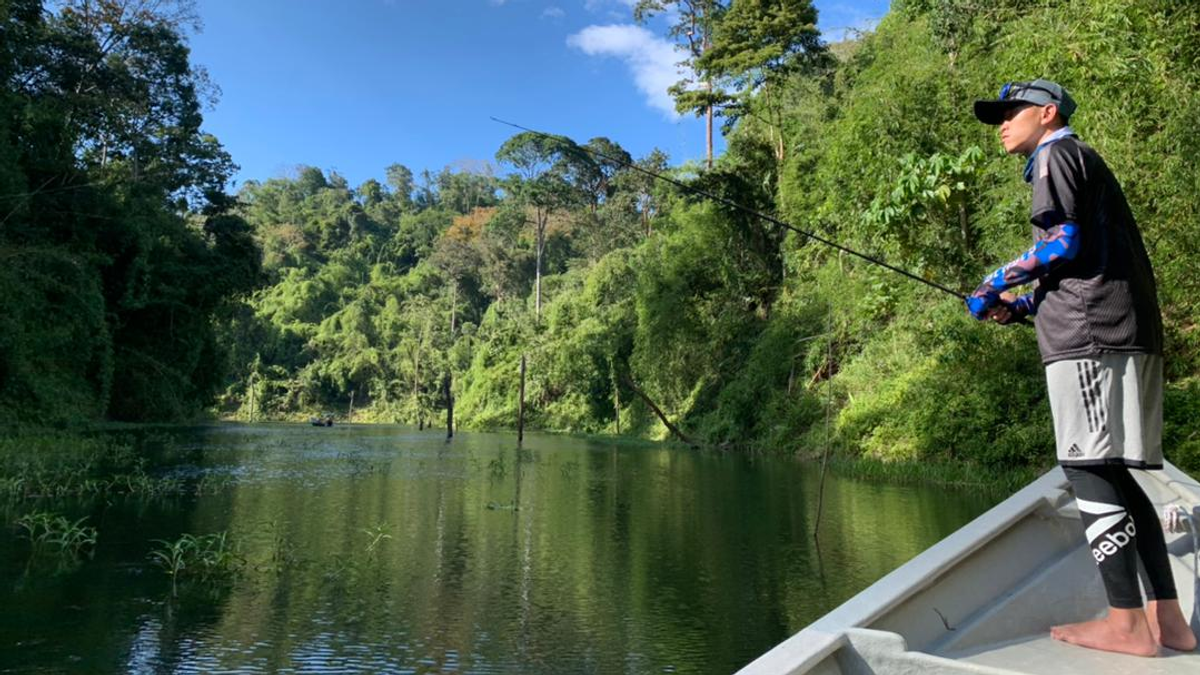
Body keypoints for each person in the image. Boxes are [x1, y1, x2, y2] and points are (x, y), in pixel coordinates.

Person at [967, 79, 1197, 656]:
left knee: (1087, 467)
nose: (1002, 123)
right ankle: (1167, 621)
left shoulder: (1056, 155)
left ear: (1047, 114)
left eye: (1012, 112)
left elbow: (1062, 244)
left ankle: (1127, 626)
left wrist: (993, 282)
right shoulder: (1079, 159)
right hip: (1117, 329)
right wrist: (1020, 305)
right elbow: (1083, 259)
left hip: (1091, 338)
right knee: (1116, 472)